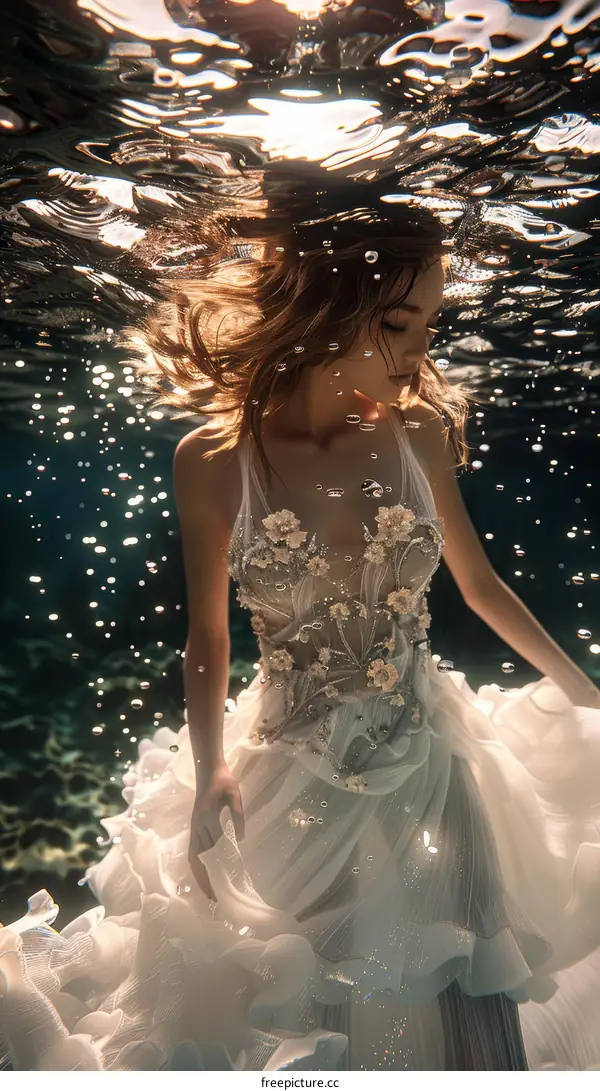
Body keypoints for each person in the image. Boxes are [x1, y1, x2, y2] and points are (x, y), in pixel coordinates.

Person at [2, 188, 600, 1072]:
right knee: (302, 998)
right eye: (401, 322)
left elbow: (479, 585)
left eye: (432, 321)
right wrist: (209, 775)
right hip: (288, 768)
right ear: (332, 308)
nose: (421, 350)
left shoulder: (419, 433)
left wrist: (588, 692)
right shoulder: (212, 459)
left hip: (432, 768)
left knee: (460, 990)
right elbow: (208, 640)